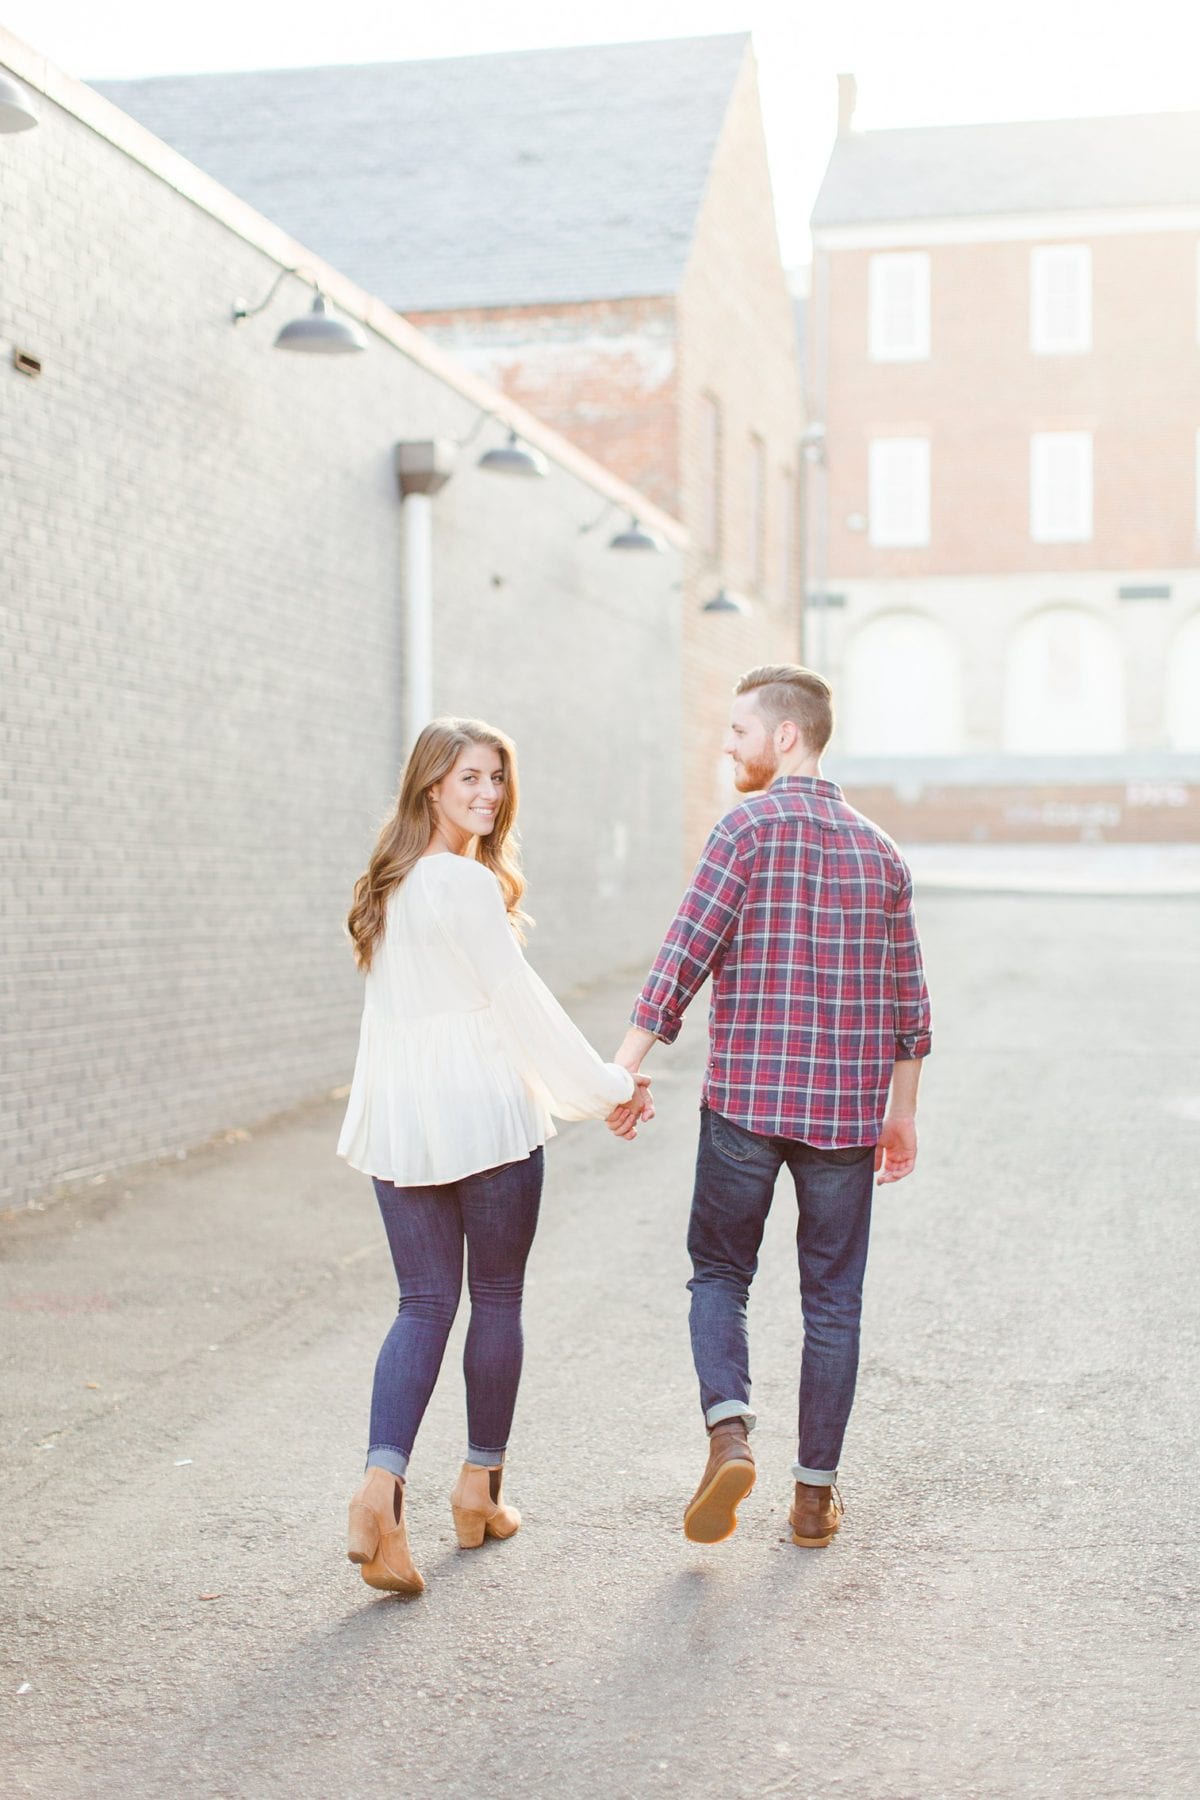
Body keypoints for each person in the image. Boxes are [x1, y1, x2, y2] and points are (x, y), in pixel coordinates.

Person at [613, 664, 931, 1549]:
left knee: (720, 1274)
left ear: (786, 736)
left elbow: (685, 952)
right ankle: (814, 1500)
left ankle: (728, 1433)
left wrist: (623, 1068)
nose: (727, 746)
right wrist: (901, 1113)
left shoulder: (744, 830)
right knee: (834, 1303)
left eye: (739, 731)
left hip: (748, 1104)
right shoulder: (881, 851)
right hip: (845, 1115)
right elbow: (911, 1003)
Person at [337, 717, 652, 1594]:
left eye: (497, 780)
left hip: (403, 1117)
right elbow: (524, 1009)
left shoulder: (387, 885)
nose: (486, 794)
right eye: (468, 778)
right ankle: (478, 1488)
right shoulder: (465, 886)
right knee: (497, 1297)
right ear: (430, 785)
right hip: (480, 1114)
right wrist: (610, 1089)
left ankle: (378, 1492)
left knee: (423, 1304)